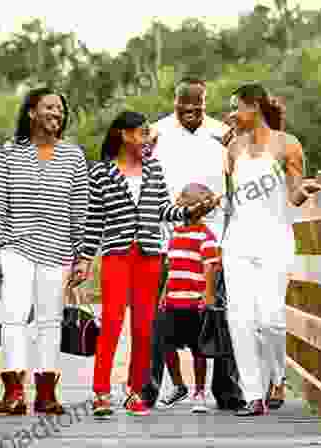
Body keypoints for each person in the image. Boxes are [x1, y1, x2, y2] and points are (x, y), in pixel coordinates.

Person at [74, 111, 220, 418]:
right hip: (117, 256)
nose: (148, 140)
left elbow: (163, 210)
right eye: (143, 134)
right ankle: (101, 392)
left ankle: (135, 391)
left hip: (151, 257)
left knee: (144, 328)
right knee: (112, 324)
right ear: (125, 135)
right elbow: (94, 220)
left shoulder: (154, 169)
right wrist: (85, 260)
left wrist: (192, 211)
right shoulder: (100, 172)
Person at [141, 77, 246, 412]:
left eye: (196, 105)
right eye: (182, 104)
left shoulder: (221, 133)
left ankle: (227, 389)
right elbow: (139, 174)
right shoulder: (156, 133)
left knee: (219, 315)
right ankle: (148, 389)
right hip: (166, 239)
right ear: (174, 102)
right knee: (157, 320)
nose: (189, 110)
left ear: (205, 101)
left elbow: (240, 174)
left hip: (211, 241)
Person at [0, 87, 88, 416]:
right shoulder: (10, 153)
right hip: (17, 246)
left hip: (57, 250)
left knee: (50, 320)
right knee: (13, 316)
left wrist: (82, 256)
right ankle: (14, 392)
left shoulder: (73, 156)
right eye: (49, 108)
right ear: (31, 113)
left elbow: (80, 209)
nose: (56, 114)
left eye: (60, 109)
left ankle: (46, 393)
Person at [222, 83, 321, 416]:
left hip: (274, 239)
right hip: (237, 242)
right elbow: (232, 201)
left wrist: (305, 189)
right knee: (239, 317)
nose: (231, 113)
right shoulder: (233, 148)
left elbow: (293, 195)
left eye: (236, 107)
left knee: (270, 319)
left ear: (254, 107)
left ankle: (277, 377)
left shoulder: (287, 143)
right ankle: (253, 395)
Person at [155, 183, 220, 413]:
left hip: (195, 302)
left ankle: (200, 391)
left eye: (182, 195)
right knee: (166, 344)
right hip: (173, 300)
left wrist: (208, 295)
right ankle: (179, 385)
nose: (177, 198)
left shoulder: (206, 236)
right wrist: (164, 294)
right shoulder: (176, 234)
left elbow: (210, 267)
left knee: (197, 349)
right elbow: (171, 266)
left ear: (192, 205)